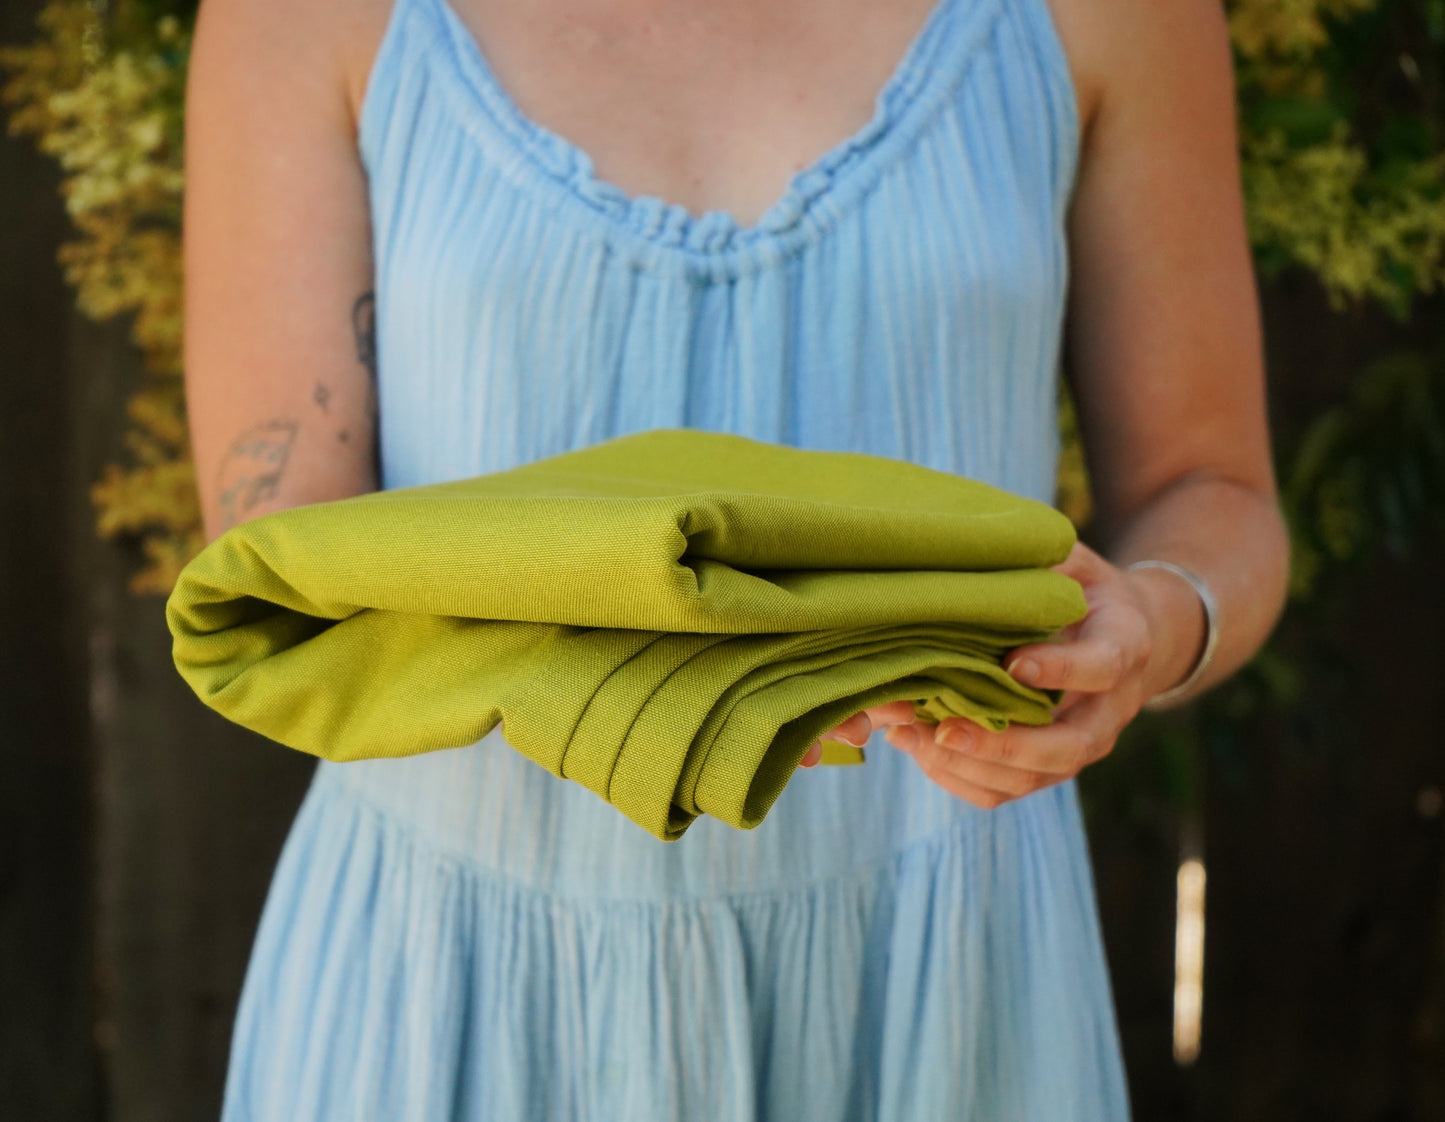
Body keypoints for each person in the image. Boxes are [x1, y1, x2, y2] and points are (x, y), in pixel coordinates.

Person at [182, 0, 1290, 1115]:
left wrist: (1151, 626)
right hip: (452, 974)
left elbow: (1211, 493)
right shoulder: (305, 18)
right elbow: (282, 568)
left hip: (936, 970)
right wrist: (683, 691)